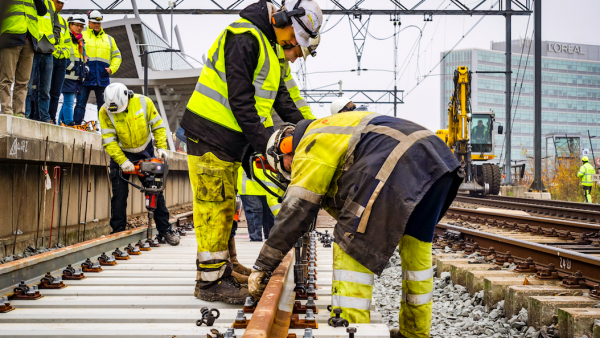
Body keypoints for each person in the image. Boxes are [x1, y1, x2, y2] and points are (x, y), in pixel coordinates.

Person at [248, 111, 462, 338]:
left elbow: (297, 209)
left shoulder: (311, 141)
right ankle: (415, 333)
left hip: (400, 163)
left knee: (349, 241)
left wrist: (264, 264)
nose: (291, 171)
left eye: (286, 167)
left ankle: (353, 329)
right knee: (416, 249)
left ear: (285, 149)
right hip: (440, 162)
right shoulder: (334, 128)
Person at [180, 0, 322, 304]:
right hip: (210, 132)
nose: (294, 52)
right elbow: (240, 102)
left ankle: (225, 268)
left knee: (224, 204)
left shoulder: (269, 47)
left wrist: (312, 134)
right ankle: (210, 282)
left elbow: (283, 101)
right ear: (285, 20)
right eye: (295, 42)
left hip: (227, 139)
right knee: (213, 205)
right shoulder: (244, 37)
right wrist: (265, 147)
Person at [99, 82, 180, 246]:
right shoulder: (105, 111)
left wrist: (161, 148)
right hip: (121, 152)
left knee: (155, 192)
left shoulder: (144, 102)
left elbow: (158, 125)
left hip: (146, 151)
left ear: (127, 97)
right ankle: (118, 233)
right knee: (119, 197)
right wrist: (122, 161)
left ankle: (165, 230)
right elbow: (109, 141)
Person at [73, 10, 121, 125]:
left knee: (103, 106)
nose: (96, 25)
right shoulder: (81, 36)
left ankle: (105, 129)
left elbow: (117, 56)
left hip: (102, 77)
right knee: (80, 104)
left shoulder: (109, 39)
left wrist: (111, 69)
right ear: (89, 22)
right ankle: (76, 125)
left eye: (98, 23)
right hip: (85, 76)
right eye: (94, 22)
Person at [0, 0, 46, 117]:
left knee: (23, 82)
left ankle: (19, 113)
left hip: (29, 40)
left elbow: (42, 11)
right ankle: (6, 112)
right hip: (9, 37)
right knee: (6, 78)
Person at [24, 0, 58, 123]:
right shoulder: (30, 1)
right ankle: (26, 114)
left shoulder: (50, 4)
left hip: (48, 51)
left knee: (45, 88)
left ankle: (44, 117)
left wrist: (55, 38)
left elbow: (56, 25)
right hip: (33, 48)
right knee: (27, 86)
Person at [58, 15, 87, 126]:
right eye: (77, 25)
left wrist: (85, 67)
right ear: (70, 25)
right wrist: (72, 67)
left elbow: (83, 56)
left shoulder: (80, 40)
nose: (79, 28)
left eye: (81, 26)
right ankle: (69, 122)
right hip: (68, 75)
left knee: (67, 102)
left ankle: (60, 122)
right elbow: (63, 55)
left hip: (76, 76)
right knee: (69, 102)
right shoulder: (66, 37)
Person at [48, 0, 70, 123]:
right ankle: (43, 116)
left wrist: (64, 53)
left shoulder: (62, 21)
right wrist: (55, 51)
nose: (60, 5)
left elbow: (67, 41)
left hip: (61, 60)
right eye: (58, 2)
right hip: (50, 56)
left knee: (56, 92)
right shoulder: (45, 16)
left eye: (62, 3)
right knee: (45, 90)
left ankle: (52, 118)